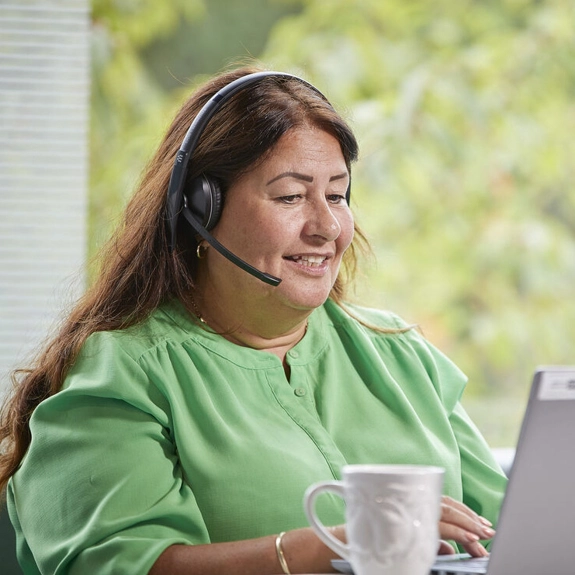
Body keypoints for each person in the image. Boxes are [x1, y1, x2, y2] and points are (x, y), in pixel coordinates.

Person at [0, 64, 507, 575]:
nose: (327, 226)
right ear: (201, 208)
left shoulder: (401, 352)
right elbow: (116, 566)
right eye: (290, 196)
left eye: (336, 194)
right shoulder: (122, 375)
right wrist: (332, 548)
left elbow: (513, 529)